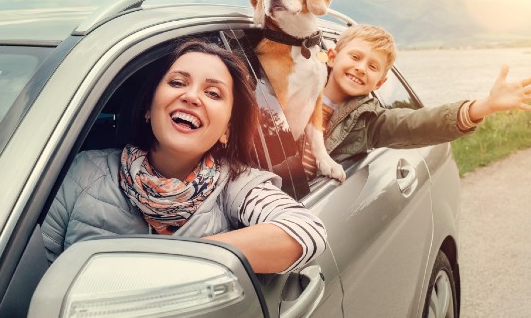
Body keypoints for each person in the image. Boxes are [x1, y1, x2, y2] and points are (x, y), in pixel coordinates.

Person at [42, 39, 327, 274]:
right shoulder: (83, 173)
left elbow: (306, 230)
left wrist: (169, 265)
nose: (192, 97)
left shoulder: (236, 185)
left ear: (226, 130)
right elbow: (36, 276)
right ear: (148, 108)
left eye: (213, 93)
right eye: (177, 83)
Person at [302, 24, 531, 178]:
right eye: (355, 56)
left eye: (373, 66)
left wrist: (485, 106)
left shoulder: (369, 120)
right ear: (332, 56)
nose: (360, 68)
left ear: (379, 83)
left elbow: (419, 123)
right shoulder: (292, 89)